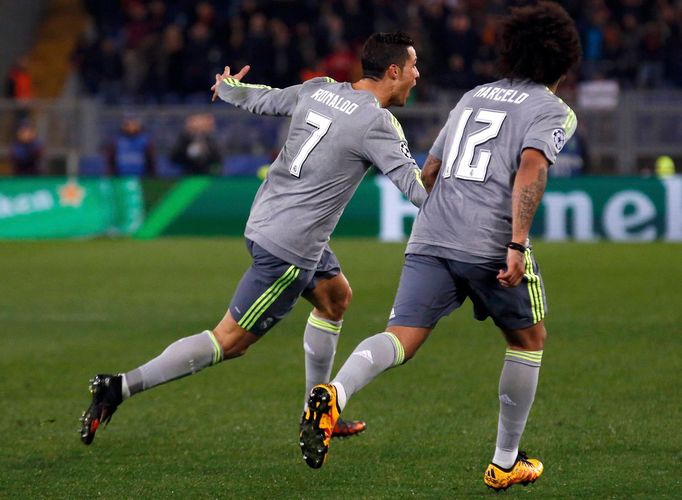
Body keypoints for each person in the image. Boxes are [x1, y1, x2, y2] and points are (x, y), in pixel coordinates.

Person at [79, 32, 426, 446]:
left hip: (270, 219)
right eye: (413, 66)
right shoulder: (378, 123)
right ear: (393, 71)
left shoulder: (320, 89)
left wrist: (228, 88)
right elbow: (419, 191)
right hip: (290, 247)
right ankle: (117, 387)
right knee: (228, 341)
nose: (417, 76)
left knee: (335, 298)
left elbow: (266, 98)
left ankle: (316, 413)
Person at [299, 2, 582, 492]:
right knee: (527, 341)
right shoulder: (552, 109)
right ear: (563, 60)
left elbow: (430, 167)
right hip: (491, 240)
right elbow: (532, 167)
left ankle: (335, 392)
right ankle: (504, 461)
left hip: (432, 232)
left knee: (400, 336)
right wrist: (515, 243)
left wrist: (438, 220)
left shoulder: (474, 96)